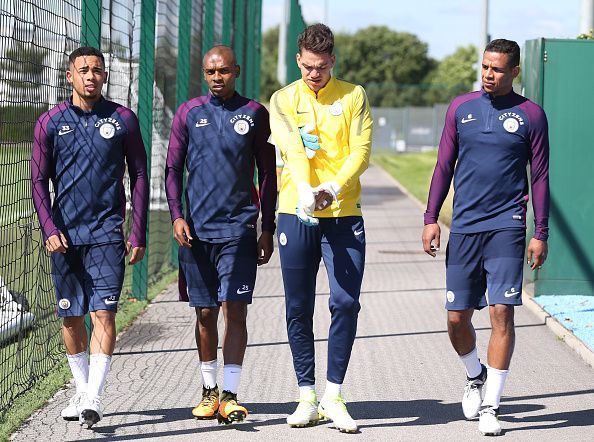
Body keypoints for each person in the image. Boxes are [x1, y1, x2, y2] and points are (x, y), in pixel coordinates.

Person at [422, 39, 549, 436]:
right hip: (464, 227)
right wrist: (430, 218)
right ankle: (474, 374)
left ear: (514, 72)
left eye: (496, 69)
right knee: (456, 318)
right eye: (484, 67)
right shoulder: (461, 108)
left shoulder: (532, 115)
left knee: (501, 314)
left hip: (507, 226)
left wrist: (539, 231)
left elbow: (541, 176)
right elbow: (444, 164)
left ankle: (492, 405)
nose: (488, 75)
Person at [31, 46, 149, 429]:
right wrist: (49, 229)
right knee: (71, 317)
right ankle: (82, 391)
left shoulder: (123, 120)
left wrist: (137, 230)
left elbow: (140, 175)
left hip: (105, 236)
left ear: (105, 76)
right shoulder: (50, 122)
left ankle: (94, 396)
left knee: (104, 312)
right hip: (64, 237)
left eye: (97, 70)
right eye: (83, 70)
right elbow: (37, 181)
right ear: (69, 76)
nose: (91, 76)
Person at [165, 45, 277, 425]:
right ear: (204, 72)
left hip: (239, 230)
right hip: (195, 233)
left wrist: (268, 226)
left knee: (235, 309)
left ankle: (230, 395)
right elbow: (172, 170)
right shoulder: (188, 112)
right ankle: (209, 390)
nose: (217, 77)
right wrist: (178, 216)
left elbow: (268, 174)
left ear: (237, 71)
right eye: (211, 72)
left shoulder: (254, 114)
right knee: (205, 312)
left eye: (224, 71)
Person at [269, 23, 372, 433]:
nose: (315, 74)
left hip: (344, 212)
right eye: (309, 67)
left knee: (345, 303)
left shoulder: (353, 95)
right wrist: (309, 192)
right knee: (299, 306)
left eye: (323, 67)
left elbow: (361, 151)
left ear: (333, 61)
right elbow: (292, 149)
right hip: (296, 212)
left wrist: (332, 188)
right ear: (299, 60)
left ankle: (334, 395)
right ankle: (306, 395)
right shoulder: (282, 99)